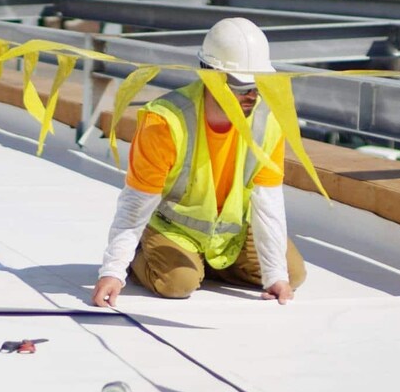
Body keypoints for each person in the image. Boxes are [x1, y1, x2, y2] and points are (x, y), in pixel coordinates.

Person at [91, 18, 307, 308]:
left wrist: (274, 275)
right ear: (211, 77)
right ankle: (148, 253)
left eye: (258, 85)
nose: (253, 95)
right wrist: (114, 270)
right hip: (174, 228)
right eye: (242, 87)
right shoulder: (165, 122)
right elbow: (135, 203)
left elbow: (267, 201)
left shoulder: (268, 120)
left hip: (231, 232)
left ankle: (207, 264)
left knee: (291, 274)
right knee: (177, 284)